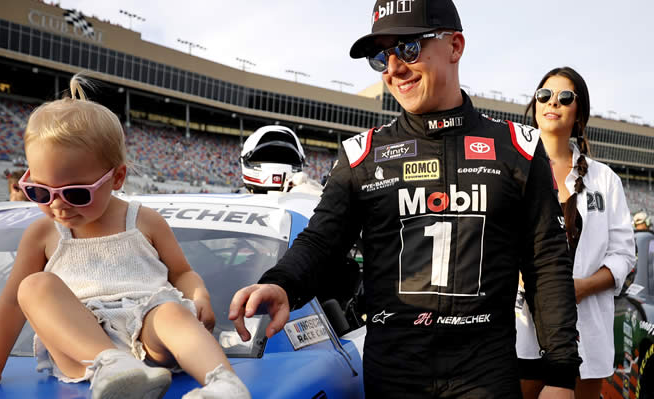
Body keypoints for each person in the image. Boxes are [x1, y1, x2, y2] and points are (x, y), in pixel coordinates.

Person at [229, 1, 581, 398]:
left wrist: (560, 374)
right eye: (381, 56)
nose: (394, 68)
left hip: (486, 375)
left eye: (409, 48)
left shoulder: (518, 148)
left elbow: (546, 265)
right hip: (394, 375)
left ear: (455, 46)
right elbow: (321, 242)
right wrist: (282, 284)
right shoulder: (362, 155)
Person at [0, 75, 250, 399]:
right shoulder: (42, 233)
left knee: (170, 312)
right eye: (39, 191)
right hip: (82, 348)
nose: (57, 205)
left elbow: (181, 272)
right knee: (33, 286)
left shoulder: (144, 221)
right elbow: (13, 302)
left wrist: (199, 296)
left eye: (76, 194)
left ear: (117, 178)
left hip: (147, 326)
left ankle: (224, 384)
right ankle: (115, 367)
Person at [516, 67, 636, 399]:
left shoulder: (605, 179)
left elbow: (624, 254)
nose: (552, 102)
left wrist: (580, 287)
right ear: (535, 104)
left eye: (564, 97)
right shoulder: (511, 167)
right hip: (521, 329)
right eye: (544, 95)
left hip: (586, 331)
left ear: (578, 115)